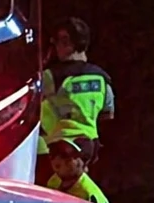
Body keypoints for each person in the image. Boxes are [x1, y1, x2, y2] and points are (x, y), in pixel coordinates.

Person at [37, 17, 115, 180]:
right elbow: (107, 116)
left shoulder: (51, 77)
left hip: (54, 154)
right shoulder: (102, 79)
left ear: (66, 42)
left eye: (57, 41)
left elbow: (28, 108)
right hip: (88, 151)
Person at [45, 138, 110, 203]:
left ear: (84, 161)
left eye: (66, 155)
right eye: (53, 153)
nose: (57, 159)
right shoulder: (54, 181)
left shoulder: (89, 196)